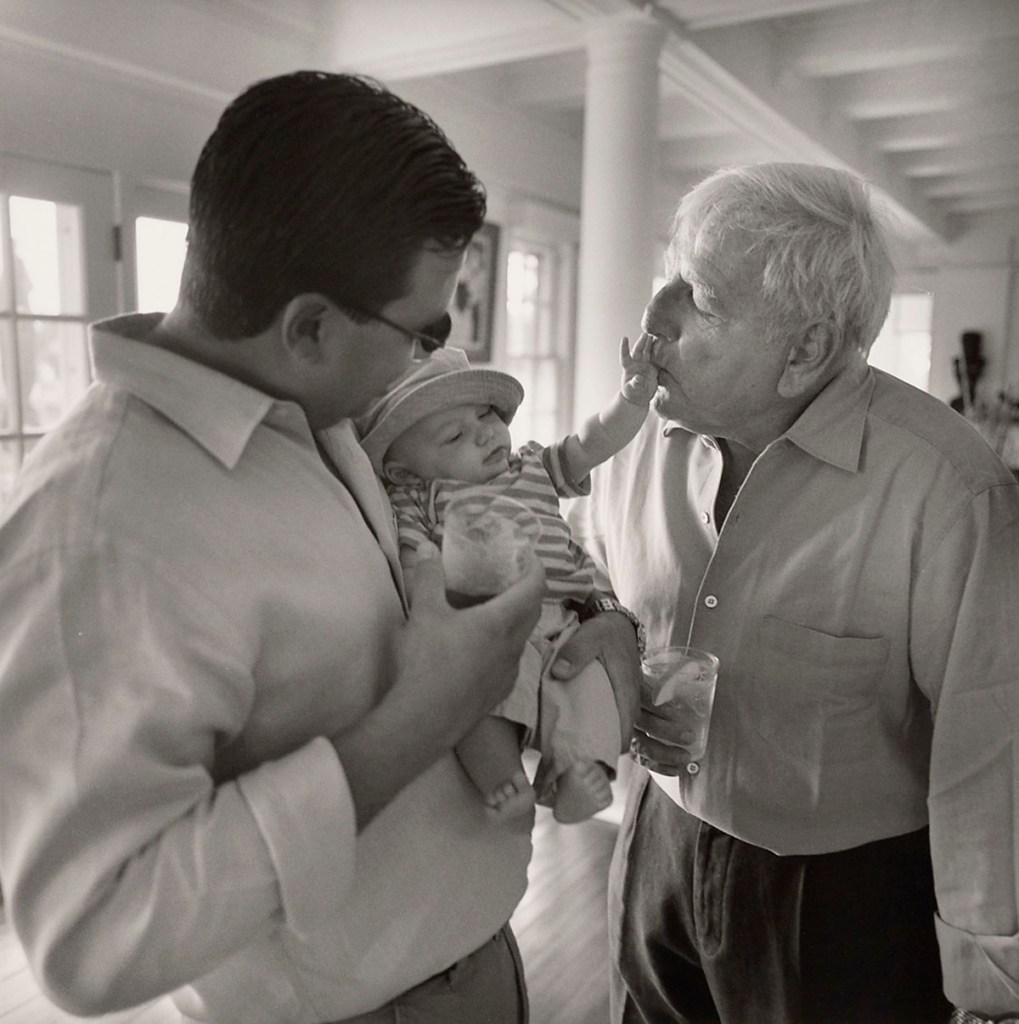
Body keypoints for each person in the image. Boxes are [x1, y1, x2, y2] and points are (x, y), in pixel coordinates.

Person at [0, 71, 642, 1024]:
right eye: (424, 330)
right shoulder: (97, 535)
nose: (434, 353)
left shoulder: (319, 418)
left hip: (482, 961)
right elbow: (92, 941)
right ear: (308, 326)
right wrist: (428, 713)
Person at [568, 162, 1019, 1024]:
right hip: (656, 837)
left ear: (805, 348)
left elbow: (986, 751)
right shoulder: (633, 440)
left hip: (840, 898)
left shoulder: (948, 490)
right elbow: (590, 579)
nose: (652, 317)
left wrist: (988, 986)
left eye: (695, 297)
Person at [351, 337, 655, 825]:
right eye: (454, 436)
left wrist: (632, 400)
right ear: (402, 470)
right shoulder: (421, 499)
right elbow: (416, 565)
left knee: (592, 695)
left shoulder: (532, 465)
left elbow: (591, 443)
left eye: (487, 416)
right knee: (478, 701)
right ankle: (504, 782)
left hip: (564, 622)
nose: (485, 435)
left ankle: (572, 777)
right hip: (485, 623)